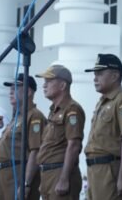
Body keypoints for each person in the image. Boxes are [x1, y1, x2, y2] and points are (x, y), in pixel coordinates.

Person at [84, 53, 122, 199]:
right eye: (95, 74)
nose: (95, 78)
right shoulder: (103, 102)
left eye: (100, 73)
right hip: (94, 170)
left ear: (115, 76)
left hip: (109, 170)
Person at [0, 73, 46, 200]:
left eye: (16, 88)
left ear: (28, 92)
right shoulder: (16, 117)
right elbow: (3, 149)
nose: (11, 91)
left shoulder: (34, 116)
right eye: (10, 88)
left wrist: (26, 183)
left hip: (16, 175)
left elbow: (35, 151)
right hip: (4, 175)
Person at [35, 64, 86, 200]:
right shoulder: (54, 111)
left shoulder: (72, 109)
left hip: (60, 172)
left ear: (63, 85)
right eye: (44, 82)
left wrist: (64, 178)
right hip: (48, 174)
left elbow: (74, 145)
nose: (44, 85)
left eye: (49, 81)